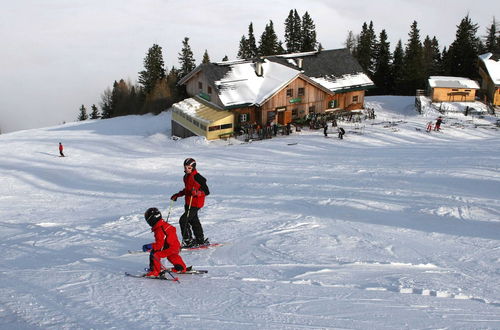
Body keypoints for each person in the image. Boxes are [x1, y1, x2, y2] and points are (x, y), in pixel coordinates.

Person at [171, 158, 210, 248]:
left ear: (193, 167)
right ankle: (200, 239)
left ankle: (188, 241)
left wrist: (197, 193)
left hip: (196, 203)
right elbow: (187, 190)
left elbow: (207, 191)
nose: (186, 169)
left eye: (188, 167)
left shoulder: (198, 177)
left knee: (183, 220)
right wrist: (178, 195)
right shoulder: (186, 177)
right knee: (194, 221)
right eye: (185, 167)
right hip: (188, 202)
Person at [142, 207, 187, 277]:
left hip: (169, 248)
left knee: (155, 254)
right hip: (175, 246)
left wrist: (149, 246)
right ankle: (181, 267)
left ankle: (155, 271)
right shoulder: (164, 225)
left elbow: (159, 245)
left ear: (151, 220)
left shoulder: (159, 230)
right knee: (172, 256)